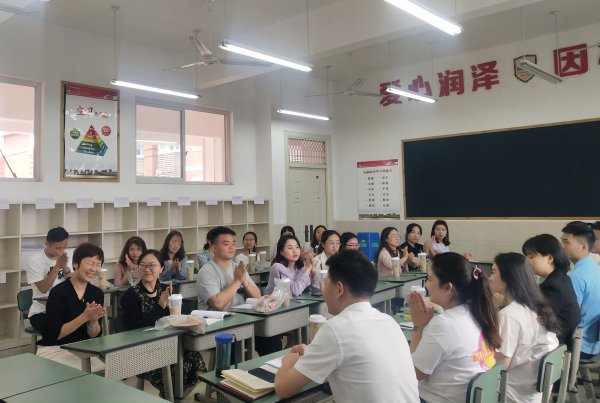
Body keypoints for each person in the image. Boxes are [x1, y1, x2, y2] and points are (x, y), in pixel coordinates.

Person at [274, 250, 419, 402]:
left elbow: (283, 388)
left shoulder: (335, 329)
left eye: (326, 283)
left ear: (339, 289)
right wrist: (312, 353)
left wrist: (289, 360)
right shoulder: (389, 321)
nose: (324, 290)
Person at [409, 252, 501, 403]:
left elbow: (413, 373)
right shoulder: (480, 312)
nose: (426, 285)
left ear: (448, 288)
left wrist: (418, 326)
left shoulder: (445, 324)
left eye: (430, 279)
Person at [120, 249, 206, 398]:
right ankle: (171, 397)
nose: (147, 269)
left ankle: (173, 398)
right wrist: (160, 305)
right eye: (143, 265)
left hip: (171, 344)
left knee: (198, 366)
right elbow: (134, 329)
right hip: (144, 350)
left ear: (161, 268)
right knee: (179, 368)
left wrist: (174, 302)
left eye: (152, 265)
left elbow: (183, 313)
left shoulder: (165, 290)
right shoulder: (130, 295)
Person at [489, 252, 560, 403]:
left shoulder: (509, 315)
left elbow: (498, 367)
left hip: (512, 394)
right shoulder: (536, 305)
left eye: (493, 272)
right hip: (534, 393)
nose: (490, 278)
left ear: (508, 277)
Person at [37, 243, 105, 371]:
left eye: (98, 265)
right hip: (55, 348)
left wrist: (93, 321)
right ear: (75, 264)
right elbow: (55, 335)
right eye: (90, 263)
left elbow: (93, 335)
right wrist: (84, 317)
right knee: (82, 376)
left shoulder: (97, 293)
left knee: (106, 374)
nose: (93, 269)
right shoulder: (58, 292)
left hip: (83, 349)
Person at [522, 234, 581, 347]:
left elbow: (534, 320)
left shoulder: (553, 287)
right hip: (559, 344)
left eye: (532, 257)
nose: (528, 262)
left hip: (552, 347)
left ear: (549, 258)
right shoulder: (562, 279)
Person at [196, 226, 260, 311]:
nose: (231, 247)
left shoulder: (238, 267)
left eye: (233, 243)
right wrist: (237, 280)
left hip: (241, 316)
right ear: (214, 248)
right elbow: (218, 304)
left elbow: (258, 296)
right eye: (226, 244)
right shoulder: (206, 272)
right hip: (217, 319)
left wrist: (244, 282)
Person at [561, 221, 600, 358]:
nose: (562, 247)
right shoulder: (595, 268)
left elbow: (570, 318)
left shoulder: (577, 277)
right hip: (593, 345)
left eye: (566, 242)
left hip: (579, 347)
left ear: (583, 246)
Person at [27, 226, 72, 333]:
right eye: (58, 248)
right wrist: (57, 267)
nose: (61, 251)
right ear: (47, 244)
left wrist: (65, 268)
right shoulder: (34, 260)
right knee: (58, 329)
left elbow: (74, 284)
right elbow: (43, 289)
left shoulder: (68, 256)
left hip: (64, 308)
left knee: (83, 323)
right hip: (42, 312)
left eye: (64, 247)